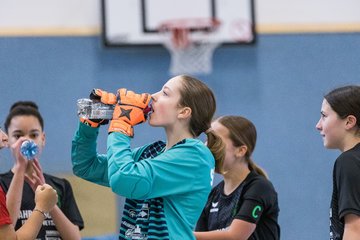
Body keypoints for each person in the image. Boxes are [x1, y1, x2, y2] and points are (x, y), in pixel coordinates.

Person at [71, 75, 225, 240]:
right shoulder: (153, 152)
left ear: (184, 112)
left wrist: (122, 124)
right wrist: (90, 125)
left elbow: (124, 179)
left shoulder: (195, 156)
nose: (153, 96)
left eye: (165, 93)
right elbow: (86, 166)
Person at [0, 101, 84, 239]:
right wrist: (20, 169)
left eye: (33, 135)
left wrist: (51, 205)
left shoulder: (60, 185)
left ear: (43, 139)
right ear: (7, 140)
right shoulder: (2, 183)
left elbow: (74, 238)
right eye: (18, 136)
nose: (26, 141)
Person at [195, 115, 280, 240]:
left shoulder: (260, 187)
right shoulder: (212, 196)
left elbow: (236, 236)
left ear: (240, 151)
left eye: (216, 140)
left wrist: (178, 236)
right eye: (208, 139)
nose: (207, 146)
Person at [315, 85, 360, 240]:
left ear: (349, 121)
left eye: (324, 116)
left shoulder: (348, 161)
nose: (318, 125)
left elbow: (355, 230)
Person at [0, 127, 58, 239]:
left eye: (34, 135)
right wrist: (41, 207)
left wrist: (20, 166)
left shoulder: (62, 184)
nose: (5, 137)